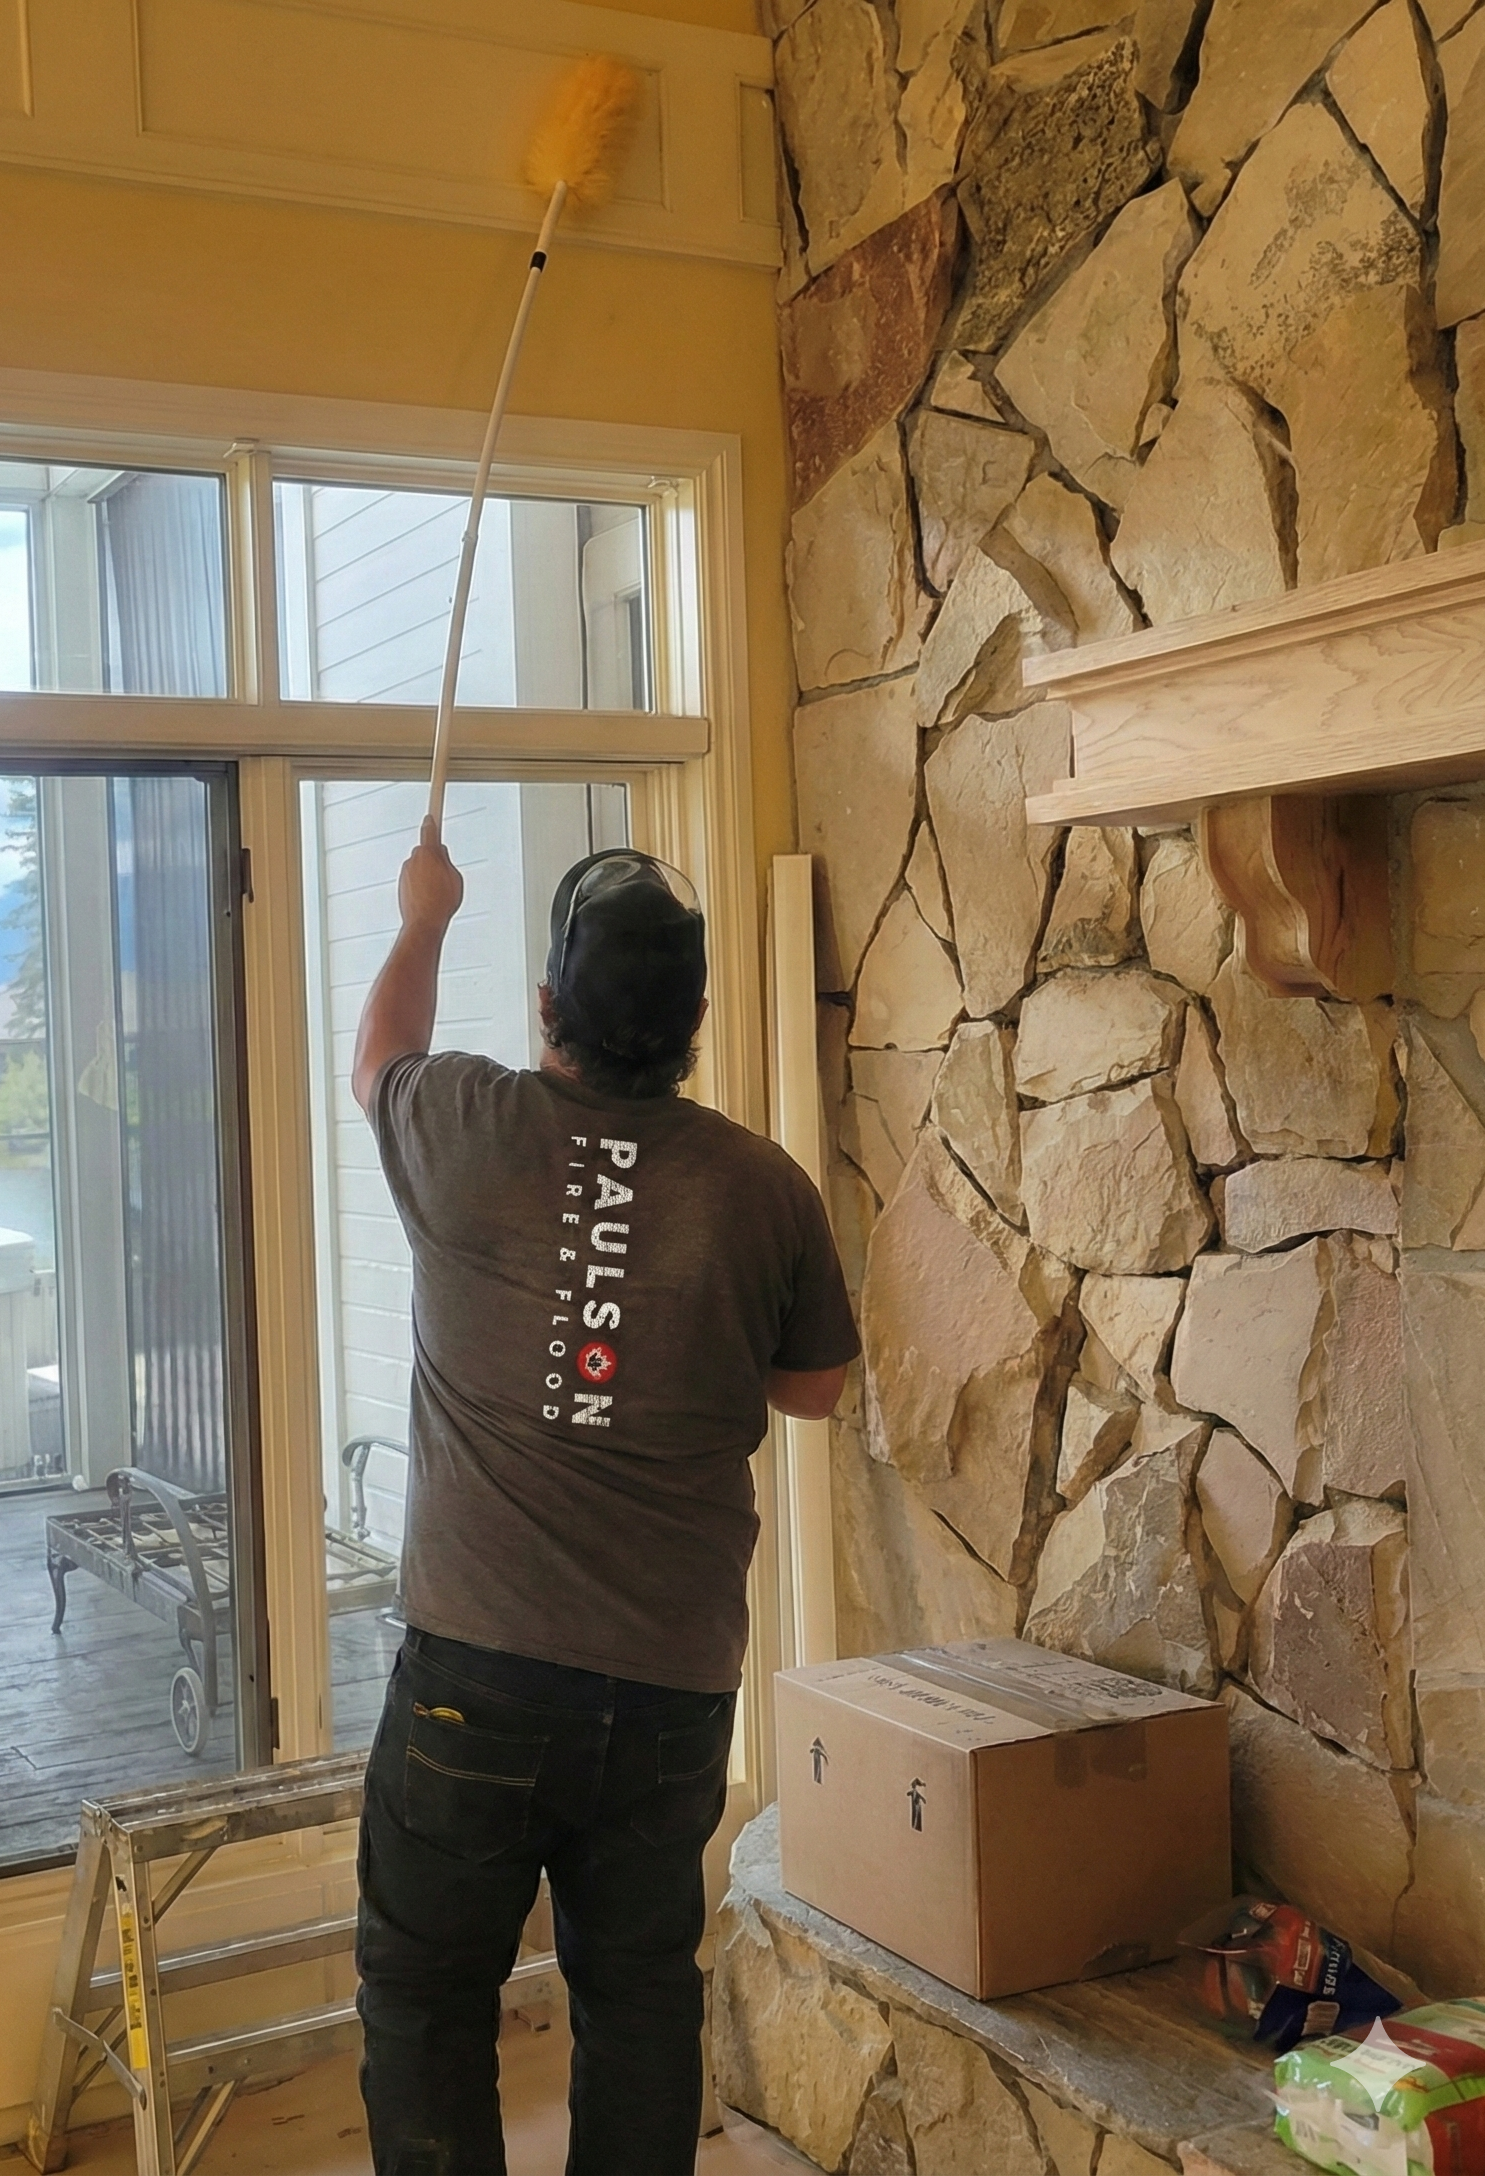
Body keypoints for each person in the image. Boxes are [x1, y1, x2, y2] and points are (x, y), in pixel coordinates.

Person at [351, 823, 859, 2176]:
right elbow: (815, 1394)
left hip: (477, 1680)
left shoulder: (467, 1123)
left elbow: (373, 1062)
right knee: (637, 1994)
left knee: (425, 1993)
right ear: (694, 1018)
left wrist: (425, 914)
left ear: (546, 1010)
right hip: (668, 1687)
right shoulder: (766, 1189)